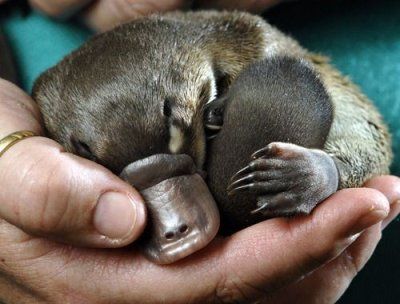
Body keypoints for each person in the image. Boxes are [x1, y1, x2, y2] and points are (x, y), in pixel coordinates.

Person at [0, 0, 399, 302]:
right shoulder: (55, 101)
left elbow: (362, 137)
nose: (179, 232)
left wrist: (329, 171)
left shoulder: (242, 44)